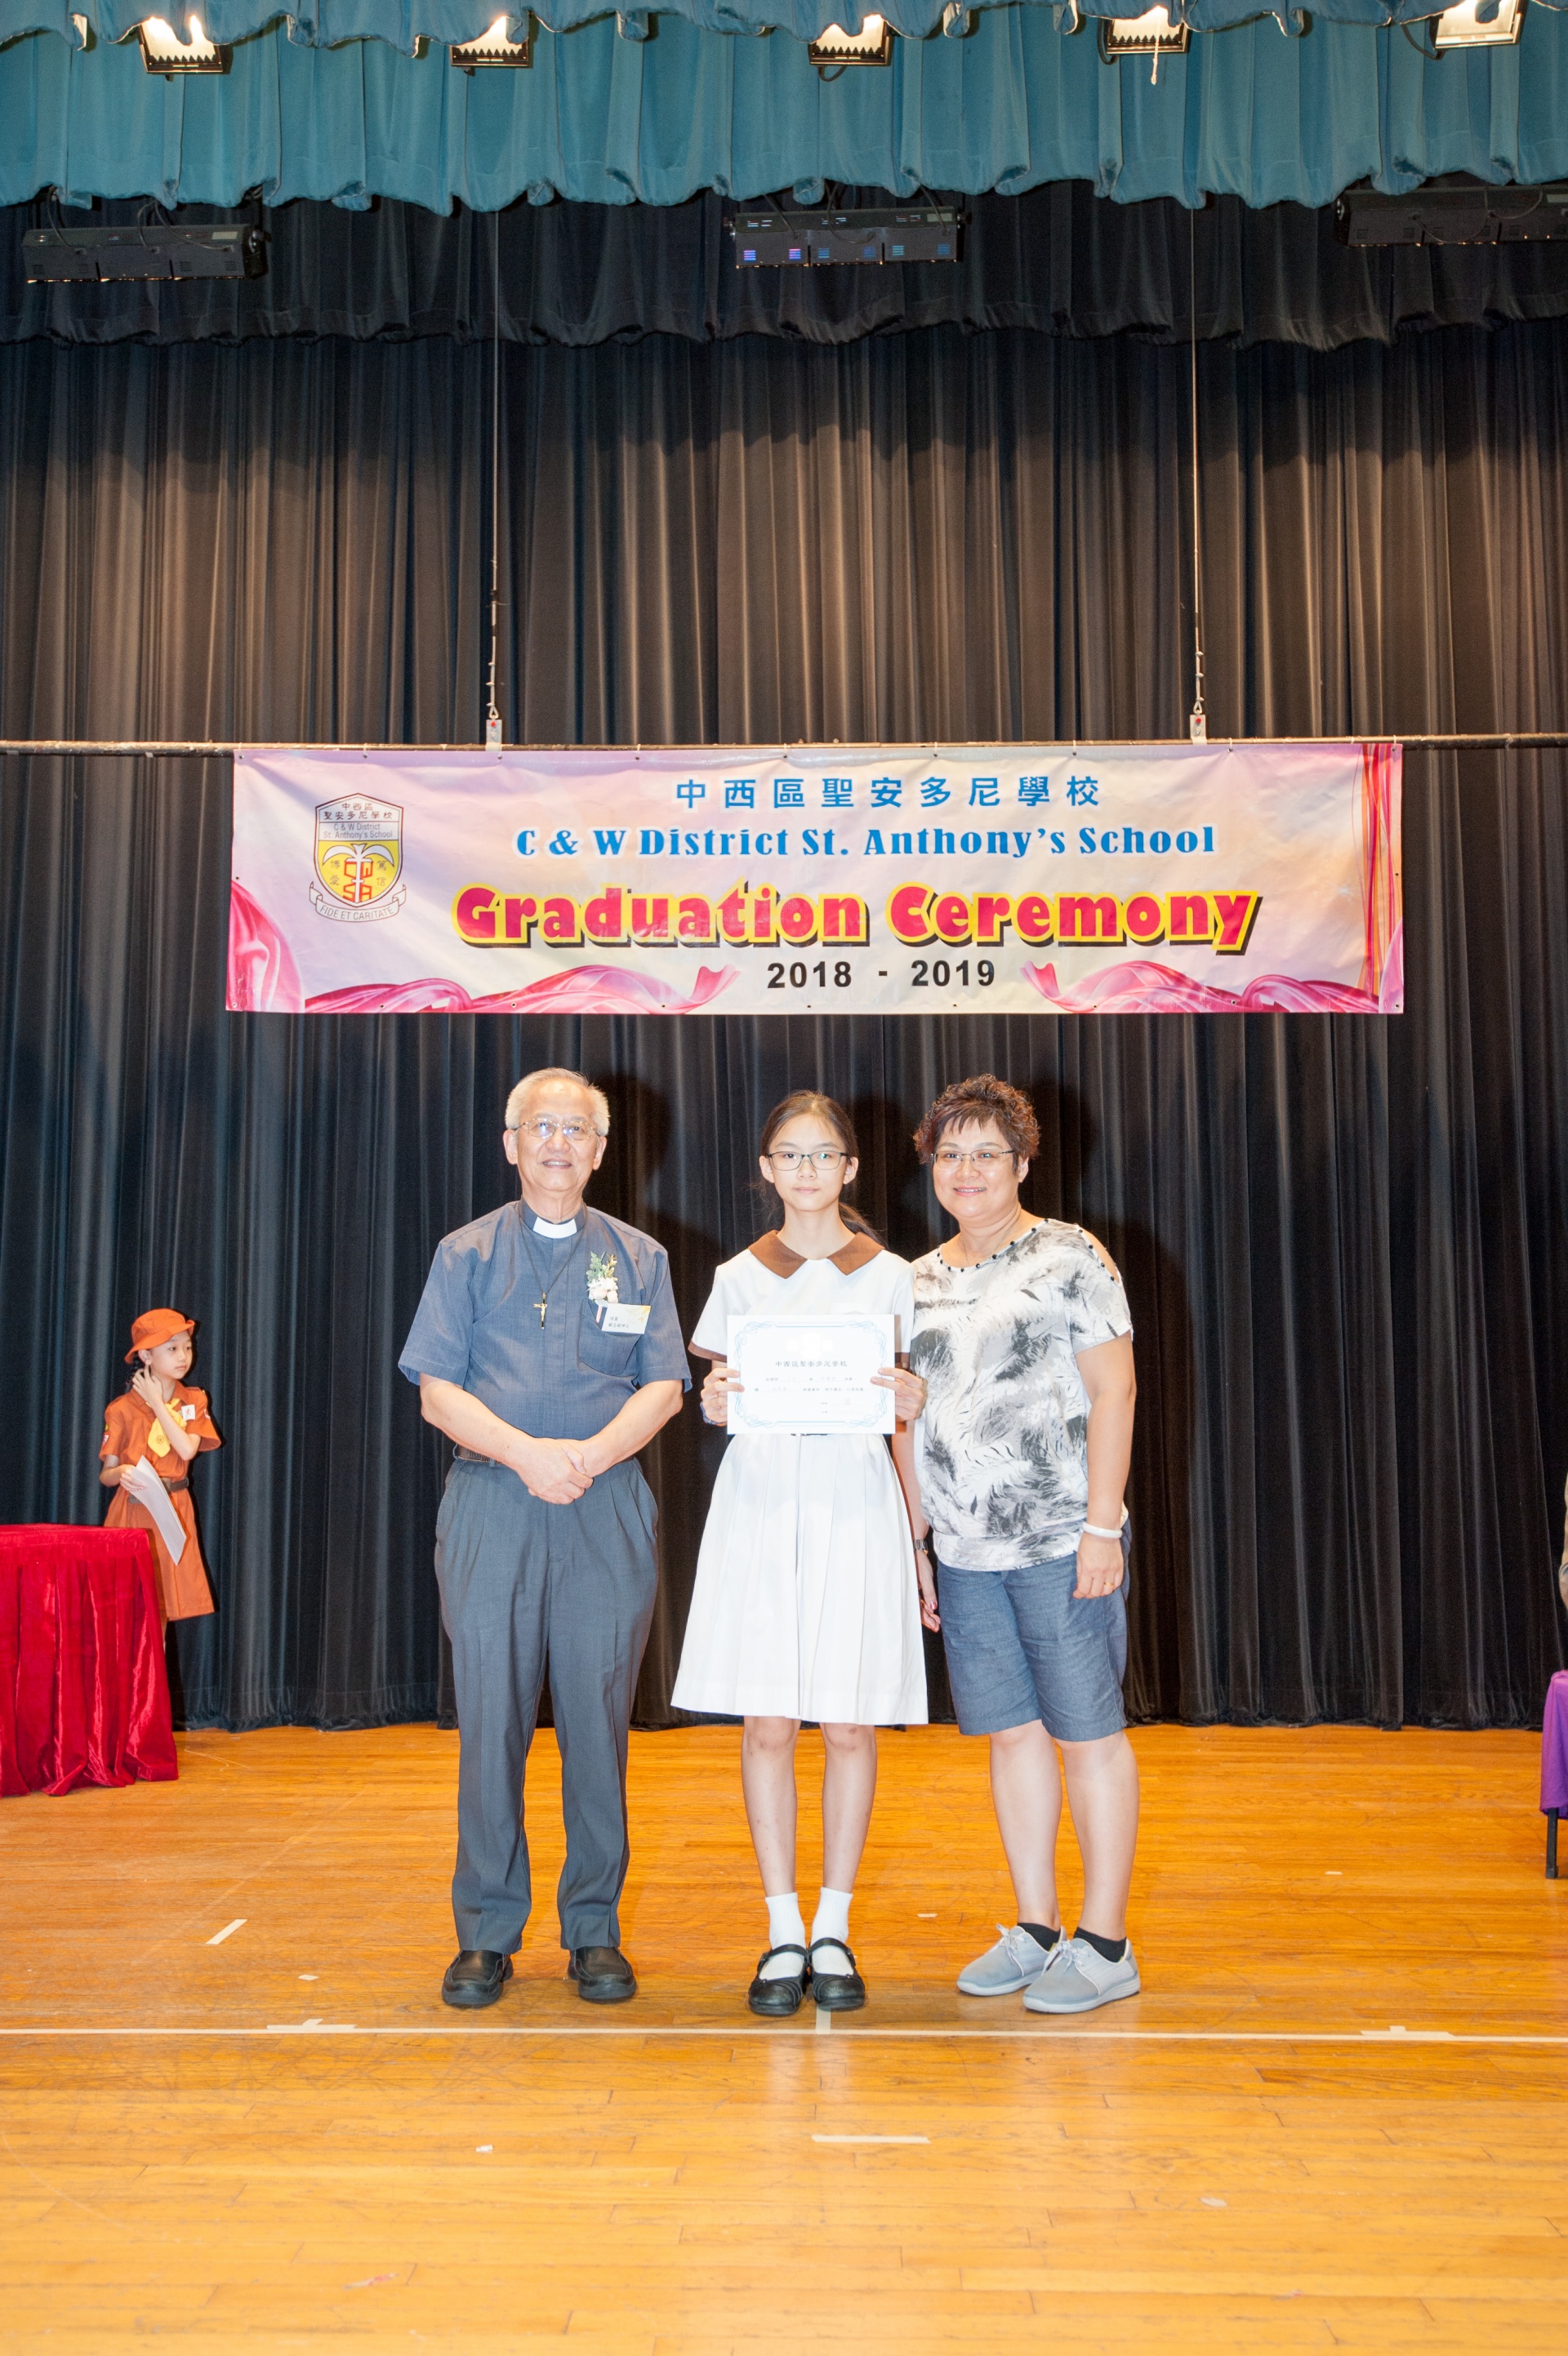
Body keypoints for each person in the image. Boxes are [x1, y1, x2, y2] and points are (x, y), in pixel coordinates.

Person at [399, 1067, 688, 2011]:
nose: (558, 1142)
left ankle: (594, 1927)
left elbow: (664, 1386)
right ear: (511, 1143)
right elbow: (437, 1390)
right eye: (541, 1126)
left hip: (605, 1505)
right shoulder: (465, 1254)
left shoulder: (640, 1257)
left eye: (576, 1128)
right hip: (494, 1501)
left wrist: (589, 1457)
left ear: (600, 1149)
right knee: (490, 1718)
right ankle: (486, 1932)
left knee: (599, 1720)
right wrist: (527, 1454)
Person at [673, 1092, 932, 2015]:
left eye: (826, 1153)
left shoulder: (893, 1275)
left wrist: (918, 1537)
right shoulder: (739, 1275)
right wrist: (716, 1401)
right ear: (767, 1168)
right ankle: (782, 1926)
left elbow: (904, 1424)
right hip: (763, 1502)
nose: (809, 1169)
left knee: (851, 1723)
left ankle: (833, 1924)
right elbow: (720, 1392)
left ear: (851, 1167)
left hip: (857, 1500)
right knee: (769, 1723)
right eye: (791, 1153)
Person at [906, 1073, 1142, 2016]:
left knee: (1088, 1735)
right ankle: (1038, 1926)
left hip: (1061, 1538)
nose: (966, 1169)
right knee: (1011, 1735)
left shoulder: (1070, 1254)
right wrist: (919, 1542)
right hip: (966, 1553)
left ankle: (1107, 1941)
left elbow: (1116, 1391)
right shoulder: (915, 1278)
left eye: (986, 1152)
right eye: (950, 1153)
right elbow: (908, 1417)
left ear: (1022, 1162)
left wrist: (1102, 1525)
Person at [100, 1308, 220, 1628]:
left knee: (163, 1609)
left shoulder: (194, 1400)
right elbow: (107, 1474)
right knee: (132, 1611)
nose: (183, 1356)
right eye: (172, 1348)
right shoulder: (121, 1409)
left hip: (174, 1510)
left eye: (188, 1347)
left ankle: (156, 1663)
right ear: (146, 1356)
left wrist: (157, 1403)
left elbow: (187, 1449)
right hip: (133, 1513)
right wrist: (120, 1473)